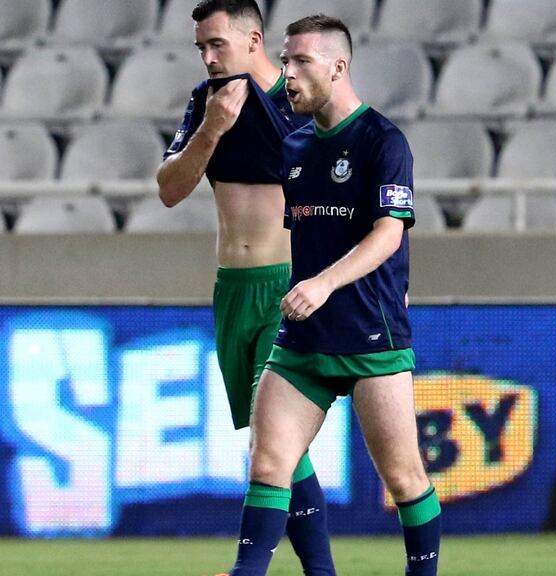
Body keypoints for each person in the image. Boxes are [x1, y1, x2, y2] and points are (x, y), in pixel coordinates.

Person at [223, 14, 439, 576]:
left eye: (301, 61)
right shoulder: (294, 147)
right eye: (285, 61)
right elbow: (311, 235)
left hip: (370, 336)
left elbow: (389, 234)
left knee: (404, 478)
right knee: (268, 462)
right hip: (303, 340)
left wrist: (323, 283)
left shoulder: (383, 140)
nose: (288, 74)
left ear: (338, 67)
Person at [155, 2, 337, 575]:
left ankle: (248, 569)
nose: (209, 58)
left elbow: (349, 195)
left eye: (218, 44)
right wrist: (211, 129)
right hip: (232, 290)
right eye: (201, 48)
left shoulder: (301, 102)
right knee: (282, 447)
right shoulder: (206, 102)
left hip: (288, 290)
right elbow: (169, 189)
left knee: (272, 438)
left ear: (253, 39)